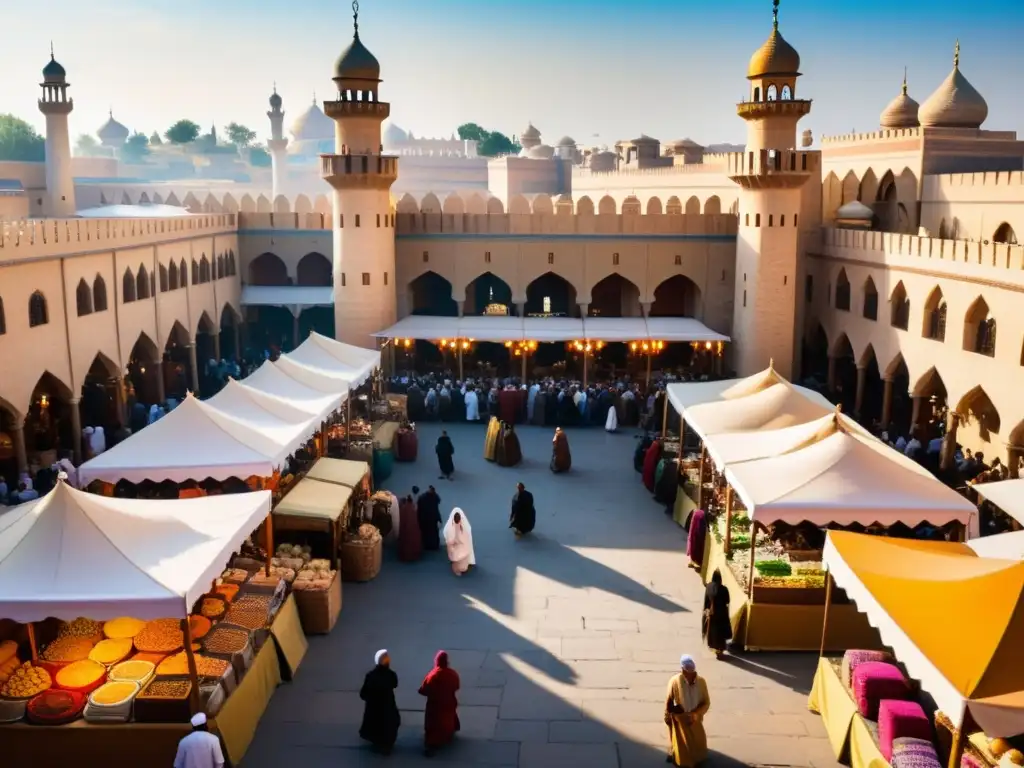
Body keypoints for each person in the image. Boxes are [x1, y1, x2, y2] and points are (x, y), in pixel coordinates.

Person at [664, 655, 710, 767]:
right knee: (681, 744)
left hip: (695, 717)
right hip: (680, 718)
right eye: (687, 670)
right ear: (682, 670)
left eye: (691, 670)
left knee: (697, 741)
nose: (689, 673)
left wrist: (696, 714)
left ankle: (697, 759)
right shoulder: (675, 681)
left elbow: (706, 702)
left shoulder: (701, 682)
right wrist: (668, 716)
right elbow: (669, 700)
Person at [418, 650, 461, 756]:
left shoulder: (433, 675)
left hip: (435, 705)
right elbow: (457, 686)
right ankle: (448, 734)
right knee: (448, 719)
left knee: (433, 724)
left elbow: (423, 690)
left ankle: (432, 744)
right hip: (449, 703)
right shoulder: (452, 674)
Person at [359, 649, 400, 754]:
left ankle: (377, 742)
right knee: (390, 723)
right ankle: (387, 743)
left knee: (374, 724)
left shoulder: (370, 676)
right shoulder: (391, 675)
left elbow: (363, 694)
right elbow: (395, 684)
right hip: (388, 706)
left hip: (374, 708)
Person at [702, 570, 732, 658]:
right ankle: (720, 650)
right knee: (720, 633)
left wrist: (706, 610)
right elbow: (727, 601)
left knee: (713, 631)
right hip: (721, 613)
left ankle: (714, 647)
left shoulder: (709, 586)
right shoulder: (723, 589)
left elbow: (706, 600)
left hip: (711, 613)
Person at [444, 508, 475, 576]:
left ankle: (457, 565)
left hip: (456, 551)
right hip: (460, 550)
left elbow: (448, 538)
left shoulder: (450, 528)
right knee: (463, 567)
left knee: (461, 567)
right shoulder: (464, 527)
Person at [398, 491, 423, 562]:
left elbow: (402, 519)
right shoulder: (414, 508)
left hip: (405, 529)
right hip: (413, 528)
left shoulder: (404, 508)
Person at [417, 485, 443, 551]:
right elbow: (436, 508)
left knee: (426, 532)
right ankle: (434, 546)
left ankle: (426, 545)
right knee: (433, 532)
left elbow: (419, 507)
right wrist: (439, 519)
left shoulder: (422, 497)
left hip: (425, 518)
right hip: (433, 518)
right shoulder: (435, 497)